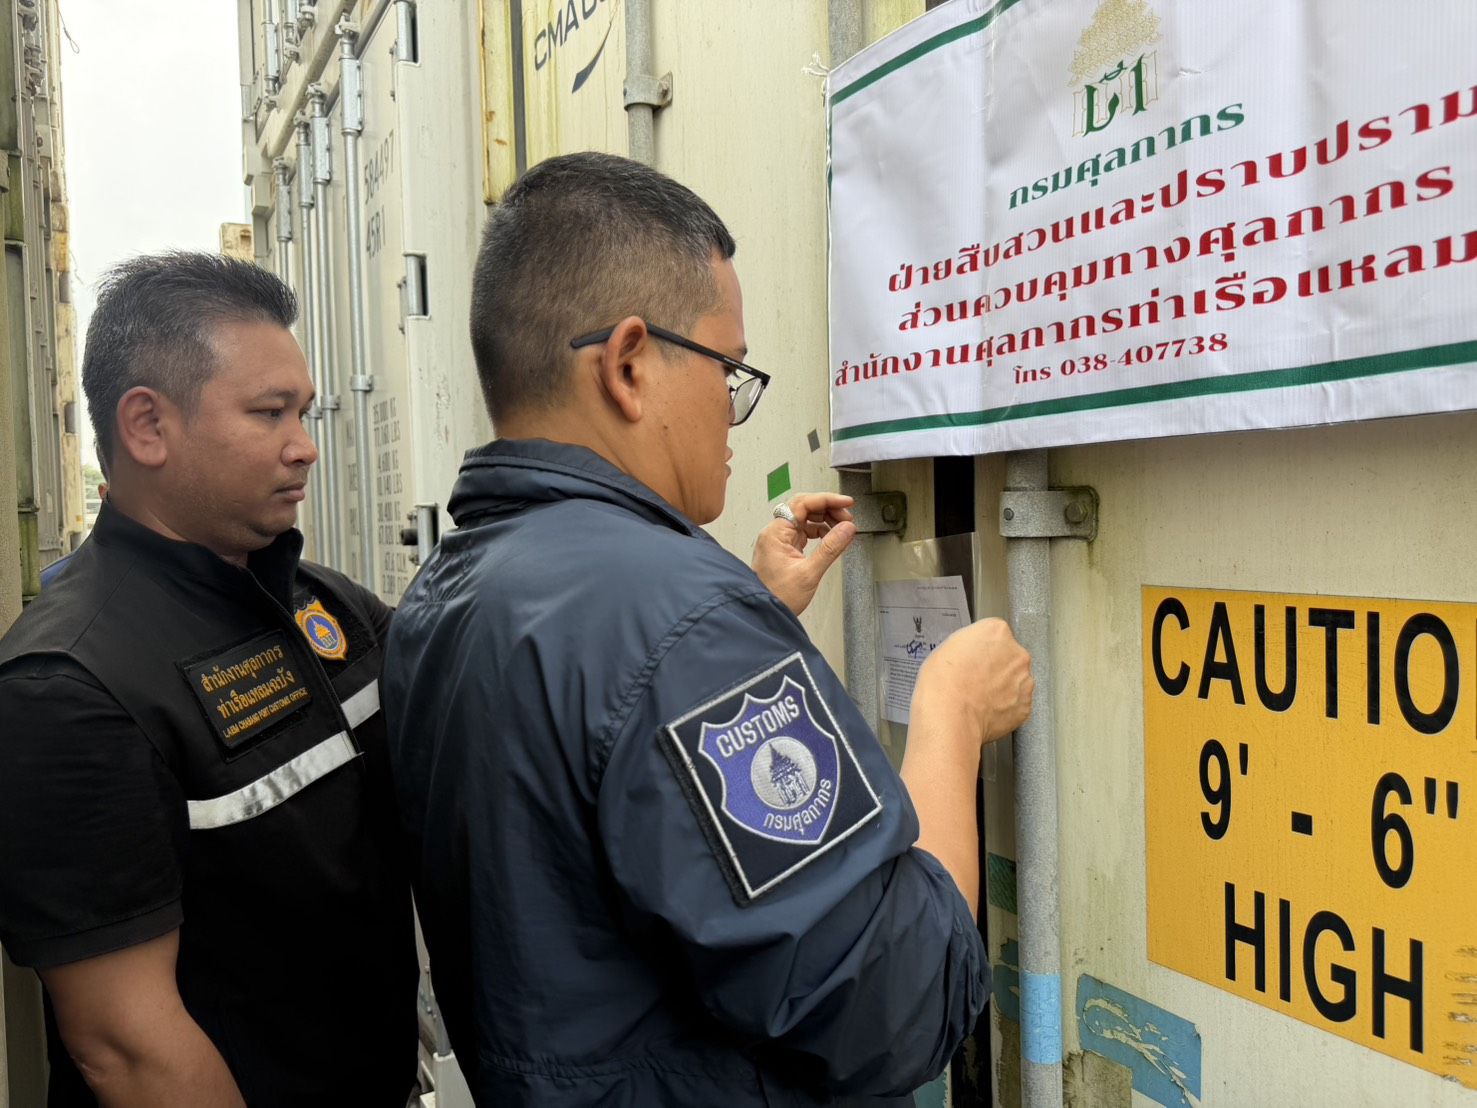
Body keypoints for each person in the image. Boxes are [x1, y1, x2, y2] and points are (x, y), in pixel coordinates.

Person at [382, 151, 1034, 1106]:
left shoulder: (449, 590)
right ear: (628, 365)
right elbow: (894, 1007)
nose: (734, 411)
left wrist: (743, 617)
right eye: (728, 368)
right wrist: (951, 714)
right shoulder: (681, 623)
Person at [0, 252, 417, 1106]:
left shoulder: (320, 603)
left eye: (303, 412)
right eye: (269, 413)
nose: (304, 446)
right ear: (147, 426)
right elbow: (128, 1048)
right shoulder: (68, 687)